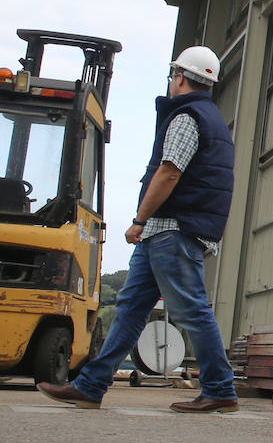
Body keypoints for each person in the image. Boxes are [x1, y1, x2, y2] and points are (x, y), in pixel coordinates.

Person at [38, 46, 238, 413]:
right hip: (167, 230)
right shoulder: (210, 118)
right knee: (130, 308)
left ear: (179, 77)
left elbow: (169, 171)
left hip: (171, 228)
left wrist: (139, 219)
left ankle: (221, 389)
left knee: (191, 309)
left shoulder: (186, 116)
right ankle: (91, 385)